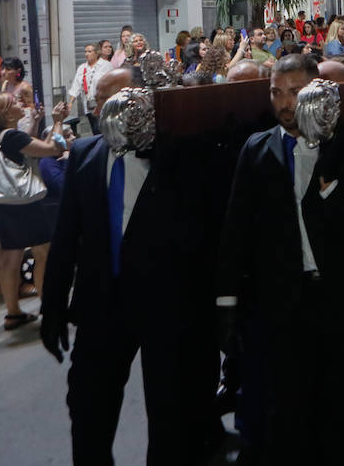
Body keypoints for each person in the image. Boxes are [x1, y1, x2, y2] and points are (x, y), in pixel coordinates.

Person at [40, 76, 214, 465]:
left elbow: (198, 234)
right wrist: (52, 307)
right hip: (101, 308)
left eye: (116, 100)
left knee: (169, 416)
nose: (106, 109)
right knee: (88, 411)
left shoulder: (179, 155)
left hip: (163, 309)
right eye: (100, 101)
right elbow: (66, 237)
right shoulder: (85, 154)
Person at [216, 53, 344, 465]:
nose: (285, 103)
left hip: (340, 297)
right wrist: (228, 302)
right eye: (276, 93)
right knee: (288, 407)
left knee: (342, 407)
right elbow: (237, 230)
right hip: (280, 300)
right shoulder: (257, 149)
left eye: (294, 92)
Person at [0, 92, 67, 330]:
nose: (21, 104)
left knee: (11, 257)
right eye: (15, 103)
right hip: (26, 203)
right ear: (6, 113)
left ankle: (13, 313)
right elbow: (52, 148)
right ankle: (49, 308)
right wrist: (58, 120)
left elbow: (31, 148)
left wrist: (38, 123)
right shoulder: (14, 137)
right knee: (43, 253)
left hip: (4, 202)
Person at [67, 42, 109, 134]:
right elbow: (76, 86)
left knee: (103, 130)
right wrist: (70, 103)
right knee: (95, 130)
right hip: (90, 105)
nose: (86, 54)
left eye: (89, 51)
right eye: (85, 52)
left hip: (103, 105)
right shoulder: (82, 68)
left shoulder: (106, 65)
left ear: (96, 53)